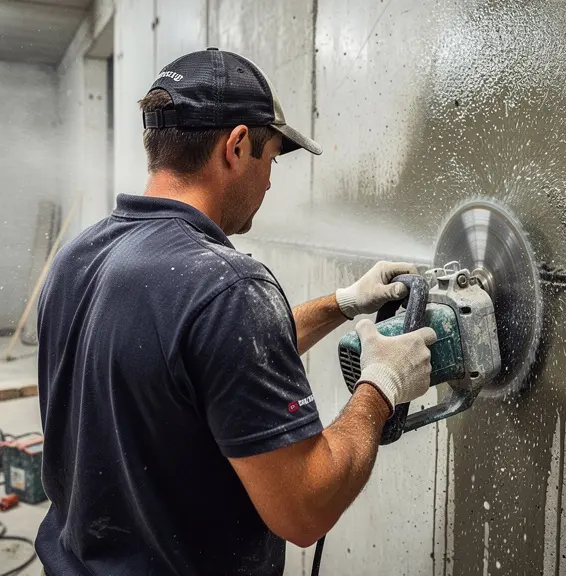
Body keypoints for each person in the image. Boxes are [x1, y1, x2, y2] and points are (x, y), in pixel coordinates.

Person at [35, 48, 437, 575]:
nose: (270, 181)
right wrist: (381, 386)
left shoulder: (77, 258)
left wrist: (340, 304)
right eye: (270, 159)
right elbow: (305, 510)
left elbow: (201, 366)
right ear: (237, 145)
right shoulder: (229, 288)